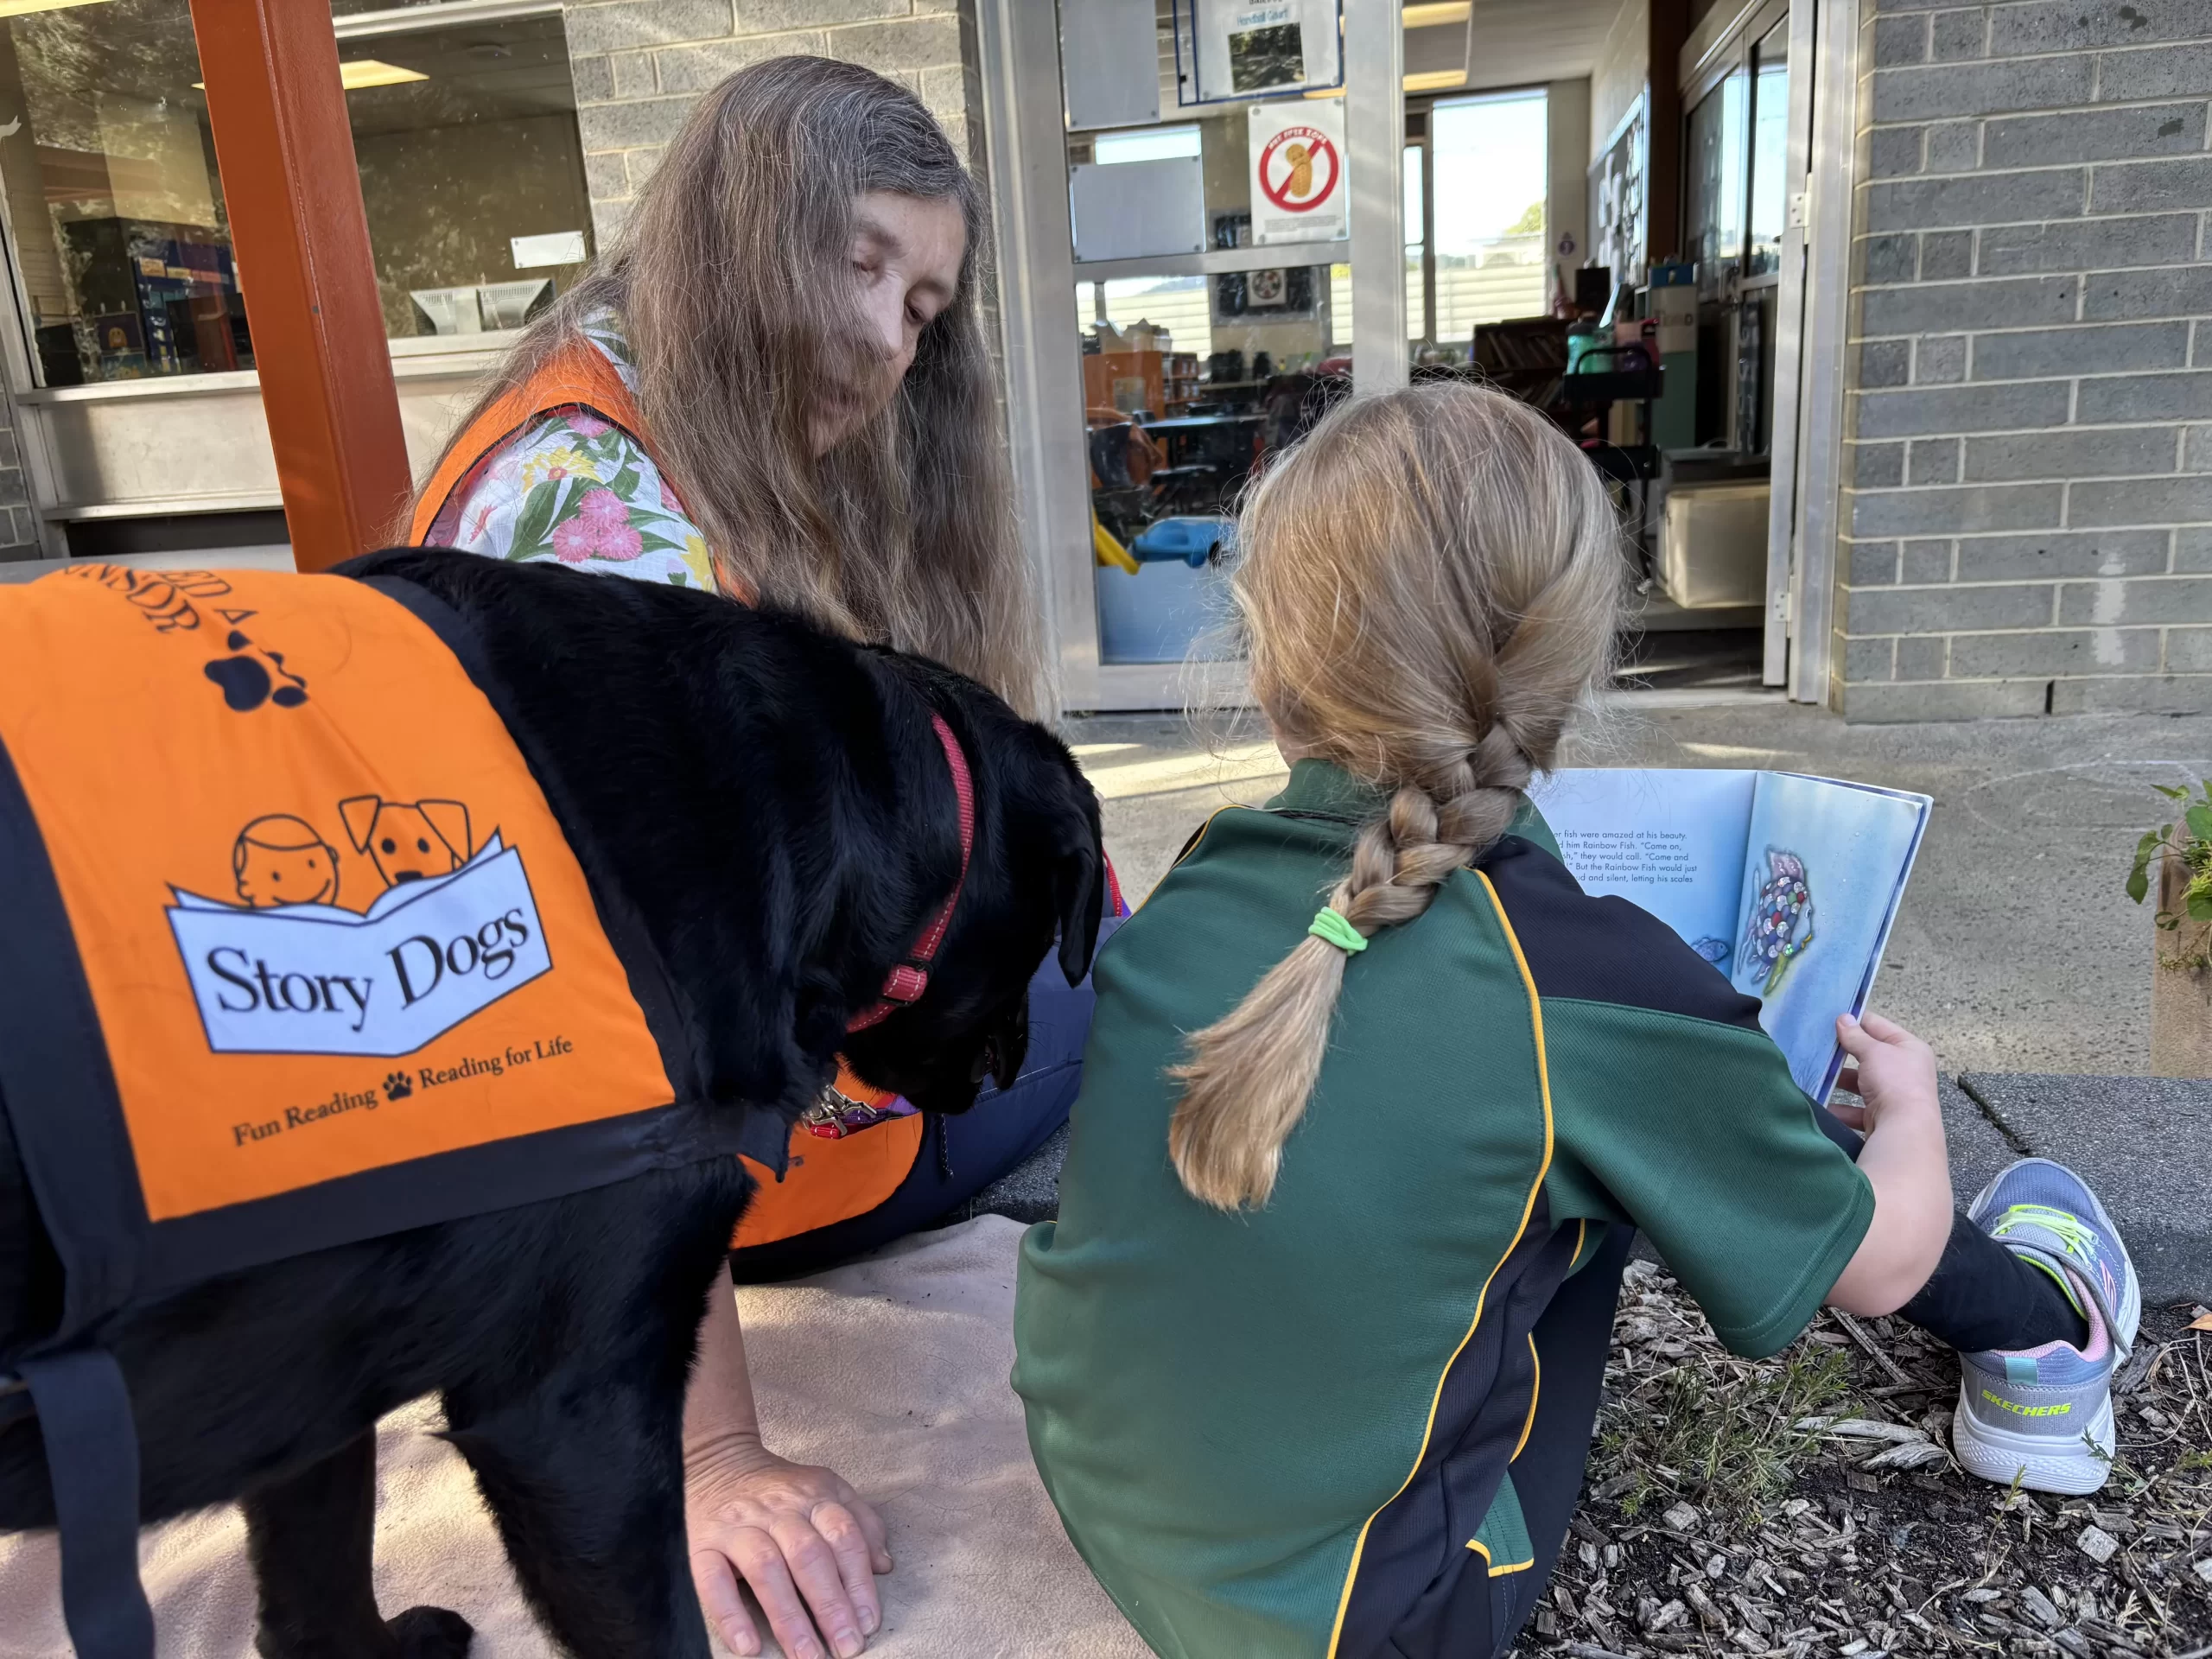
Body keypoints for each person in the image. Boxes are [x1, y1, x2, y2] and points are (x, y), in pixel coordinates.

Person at [1012, 383, 2137, 1659]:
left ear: (1269, 667)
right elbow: (1877, 1266)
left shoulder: (1206, 870)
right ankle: (2051, 1334)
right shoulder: (1580, 971)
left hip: (1094, 1494)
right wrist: (1915, 1109)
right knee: (1589, 1144)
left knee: (1509, 1127)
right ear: (1569, 668)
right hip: (1368, 1623)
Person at [410, 58, 1123, 1659]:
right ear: (743, 230)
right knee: (1102, 985)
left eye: (926, 304)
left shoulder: (630, 410)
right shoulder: (595, 535)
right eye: (859, 263)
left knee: (1090, 938)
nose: (889, 342)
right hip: (743, 1182)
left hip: (767, 1128)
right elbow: (616, 1031)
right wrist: (711, 1455)